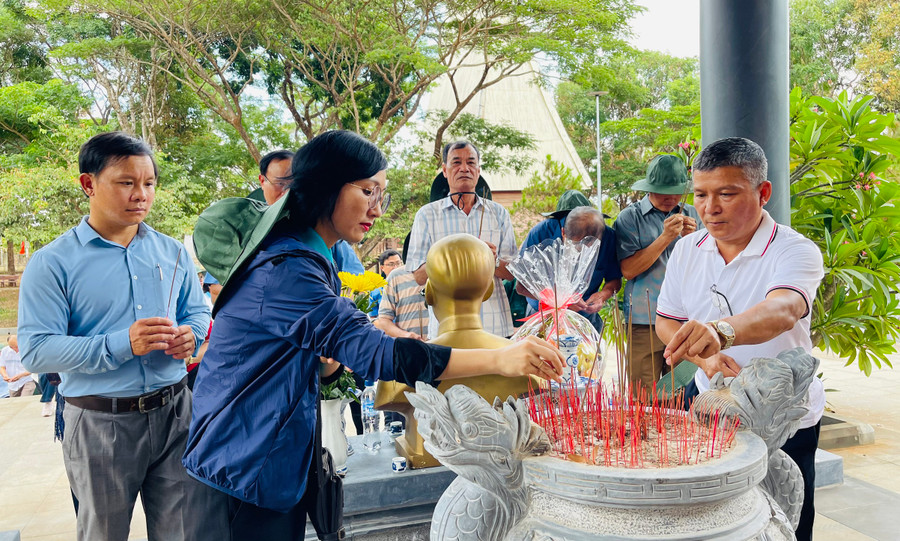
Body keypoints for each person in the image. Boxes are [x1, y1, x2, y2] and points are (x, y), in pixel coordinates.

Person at [185, 130, 564, 540]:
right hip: (241, 464)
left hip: (268, 454)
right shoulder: (287, 266)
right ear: (326, 186)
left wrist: (323, 364)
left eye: (380, 195)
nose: (377, 210)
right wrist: (501, 358)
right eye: (369, 192)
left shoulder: (310, 256)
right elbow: (379, 355)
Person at [17, 131, 227, 541]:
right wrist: (121, 344)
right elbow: (36, 351)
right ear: (88, 183)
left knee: (185, 533)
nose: (141, 195)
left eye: (149, 183)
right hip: (99, 422)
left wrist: (192, 334)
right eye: (127, 183)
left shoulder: (173, 252)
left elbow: (197, 310)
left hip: (176, 412)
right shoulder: (52, 263)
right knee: (104, 533)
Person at [655, 137, 824, 541]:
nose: (710, 208)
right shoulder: (686, 250)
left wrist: (719, 331)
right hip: (712, 407)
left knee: (784, 519)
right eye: (700, 195)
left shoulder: (794, 250)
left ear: (762, 192)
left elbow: (783, 310)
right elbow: (667, 322)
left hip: (783, 417)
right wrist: (705, 361)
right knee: (716, 520)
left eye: (726, 194)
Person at [406, 141, 517, 338]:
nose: (464, 168)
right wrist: (453, 258)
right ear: (445, 170)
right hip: (446, 330)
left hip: (493, 325)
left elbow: (511, 273)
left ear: (478, 170)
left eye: (471, 162)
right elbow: (419, 276)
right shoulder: (427, 215)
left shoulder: (498, 213)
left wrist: (493, 260)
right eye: (456, 162)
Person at [613, 155, 701, 395]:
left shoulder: (695, 215)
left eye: (675, 192)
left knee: (686, 393)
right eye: (663, 192)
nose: (670, 198)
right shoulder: (630, 218)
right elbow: (628, 270)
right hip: (644, 319)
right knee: (644, 397)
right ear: (649, 188)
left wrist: (693, 241)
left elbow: (709, 268)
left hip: (687, 319)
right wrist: (665, 238)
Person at [520, 191, 622, 329]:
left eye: (591, 243)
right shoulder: (540, 234)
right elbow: (521, 286)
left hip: (585, 318)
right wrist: (559, 301)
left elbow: (614, 279)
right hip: (543, 316)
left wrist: (603, 295)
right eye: (577, 243)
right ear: (563, 231)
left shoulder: (607, 235)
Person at [368, 249, 402, 317]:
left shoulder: (410, 285)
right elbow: (373, 317)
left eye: (398, 263)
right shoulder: (376, 291)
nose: (395, 267)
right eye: (391, 264)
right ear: (382, 268)